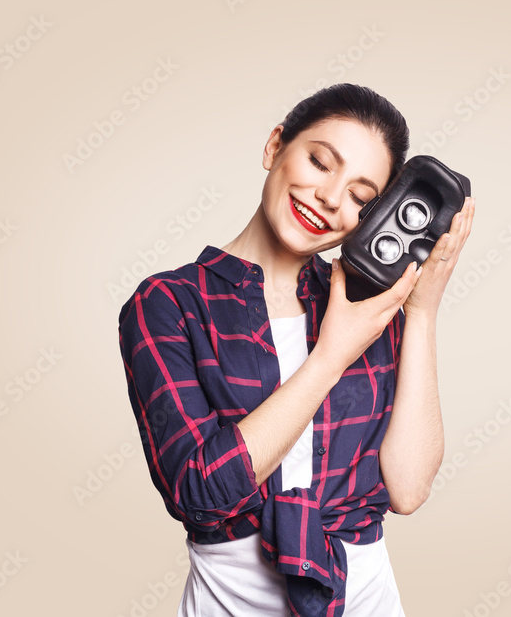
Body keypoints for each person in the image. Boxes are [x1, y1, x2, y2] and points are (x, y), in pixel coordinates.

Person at [117, 83, 475, 616]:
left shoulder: (368, 307)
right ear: (274, 147)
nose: (331, 199)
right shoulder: (169, 304)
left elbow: (408, 488)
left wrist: (420, 312)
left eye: (360, 197)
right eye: (319, 162)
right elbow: (197, 492)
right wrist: (331, 357)